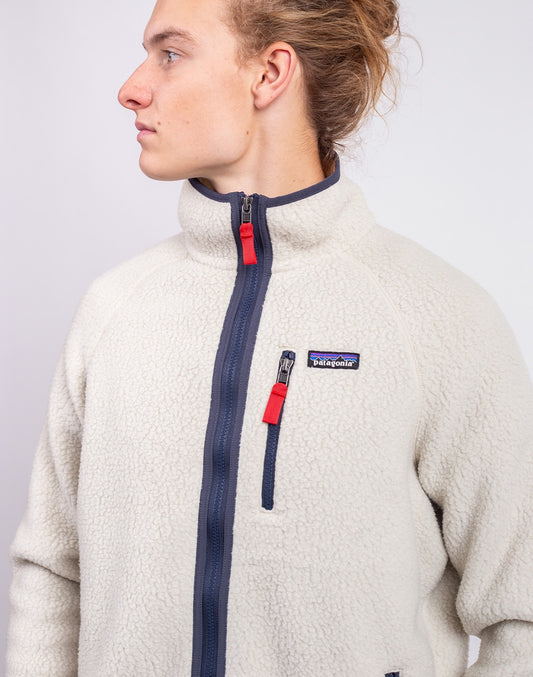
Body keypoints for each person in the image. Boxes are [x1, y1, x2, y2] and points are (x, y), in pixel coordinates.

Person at [5, 0, 533, 675]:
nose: (131, 88)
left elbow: (521, 611)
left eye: (170, 53)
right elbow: (53, 573)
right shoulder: (113, 310)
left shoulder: (437, 315)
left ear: (269, 74)